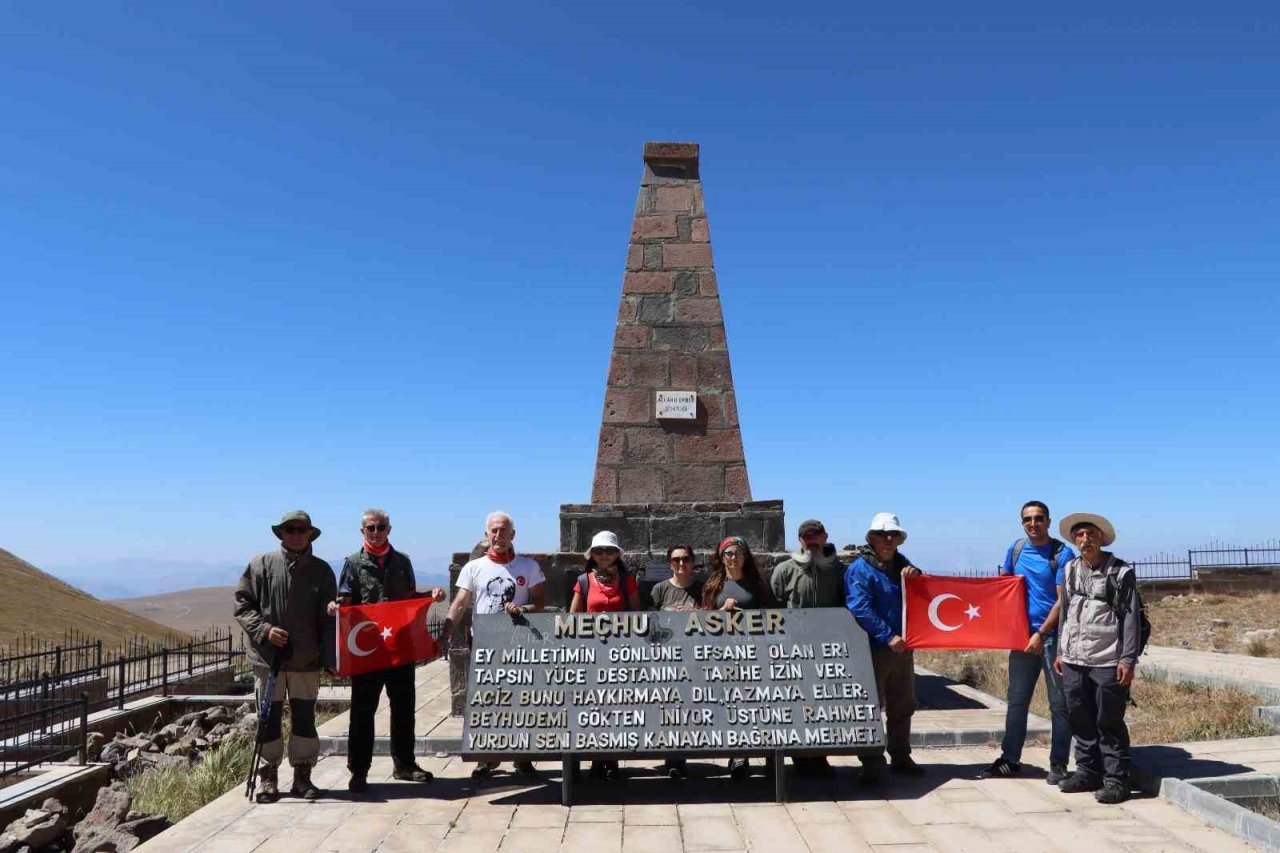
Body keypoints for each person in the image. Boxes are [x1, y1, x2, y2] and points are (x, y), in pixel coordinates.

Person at [329, 509, 446, 794]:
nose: (376, 531)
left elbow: (407, 601)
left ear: (389, 529)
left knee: (404, 709)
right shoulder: (353, 564)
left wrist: (429, 597)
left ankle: (404, 764)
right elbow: (345, 602)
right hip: (367, 652)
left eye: (381, 527)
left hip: (399, 649)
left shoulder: (402, 562)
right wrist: (336, 608)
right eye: (371, 527)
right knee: (362, 712)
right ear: (362, 531)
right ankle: (359, 771)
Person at [233, 510, 336, 803]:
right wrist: (264, 630)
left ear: (309, 534)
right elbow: (243, 605)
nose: (295, 533)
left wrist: (330, 658)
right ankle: (268, 776)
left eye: (300, 529)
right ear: (281, 533)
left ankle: (302, 776)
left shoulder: (322, 570)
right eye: (290, 529)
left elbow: (329, 622)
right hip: (268, 660)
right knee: (268, 718)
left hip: (306, 659)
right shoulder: (260, 565)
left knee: (304, 718)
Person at [445, 510, 546, 781]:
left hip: (519, 643)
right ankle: (487, 757)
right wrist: (446, 630)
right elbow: (460, 603)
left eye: (503, 530)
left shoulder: (528, 567)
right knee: (487, 703)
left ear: (513, 535)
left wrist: (522, 607)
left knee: (523, 702)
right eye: (493, 530)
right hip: (485, 643)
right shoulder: (474, 567)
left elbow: (540, 604)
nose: (498, 535)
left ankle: (523, 757)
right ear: (486, 535)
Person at [979, 501, 1075, 784]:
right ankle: (1010, 759)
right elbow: (1005, 586)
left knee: (1059, 704)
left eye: (1038, 518)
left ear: (1048, 521)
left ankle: (1058, 764)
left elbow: (1062, 600)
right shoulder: (1017, 549)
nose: (1033, 523)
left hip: (1052, 639)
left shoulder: (1062, 553)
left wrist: (1041, 633)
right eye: (1027, 519)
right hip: (1021, 639)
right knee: (1017, 701)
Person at [1054, 512, 1140, 805]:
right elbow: (1065, 612)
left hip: (1107, 659)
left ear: (1101, 537)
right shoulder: (1069, 570)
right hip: (1074, 658)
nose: (1085, 539)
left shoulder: (1121, 572)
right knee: (1079, 716)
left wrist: (1127, 660)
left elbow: (1130, 620)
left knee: (1109, 720)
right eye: (1079, 535)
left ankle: (1116, 779)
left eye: (1090, 534)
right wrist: (1060, 652)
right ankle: (1087, 771)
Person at [845, 512, 924, 782]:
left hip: (904, 648)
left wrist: (917, 575)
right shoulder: (859, 568)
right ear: (873, 538)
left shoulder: (904, 565)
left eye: (893, 535)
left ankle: (901, 756)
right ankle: (871, 761)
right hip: (875, 649)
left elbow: (921, 593)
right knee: (871, 707)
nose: (888, 539)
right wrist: (888, 636)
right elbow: (859, 607)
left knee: (903, 705)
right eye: (883, 535)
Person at [769, 518, 845, 777]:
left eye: (816, 536)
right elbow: (776, 602)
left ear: (824, 537)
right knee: (798, 704)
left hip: (828, 649)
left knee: (825, 705)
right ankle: (800, 757)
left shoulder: (838, 570)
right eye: (806, 537)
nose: (811, 541)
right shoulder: (784, 570)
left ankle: (820, 756)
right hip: (795, 650)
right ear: (800, 540)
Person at [702, 536, 777, 780]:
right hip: (724, 654)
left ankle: (770, 756)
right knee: (732, 706)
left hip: (754, 652)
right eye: (729, 554)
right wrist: (722, 613)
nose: (733, 558)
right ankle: (738, 756)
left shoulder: (758, 584)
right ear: (721, 557)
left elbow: (772, 616)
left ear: (746, 556)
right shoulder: (713, 584)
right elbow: (702, 620)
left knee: (760, 705)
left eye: (738, 553)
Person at [569, 531, 640, 780]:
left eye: (609, 551)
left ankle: (610, 758)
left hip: (620, 653)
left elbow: (636, 614)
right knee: (594, 707)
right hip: (591, 652)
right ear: (593, 556)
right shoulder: (584, 581)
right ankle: (596, 757)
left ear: (617, 555)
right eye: (598, 551)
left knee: (616, 706)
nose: (604, 555)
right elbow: (573, 618)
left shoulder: (627, 580)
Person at [649, 543, 701, 779]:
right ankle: (673, 758)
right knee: (670, 709)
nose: (682, 564)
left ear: (693, 562)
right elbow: (648, 622)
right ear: (669, 563)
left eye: (686, 559)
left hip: (697, 656)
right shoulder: (659, 590)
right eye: (676, 560)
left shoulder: (704, 588)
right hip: (667, 658)